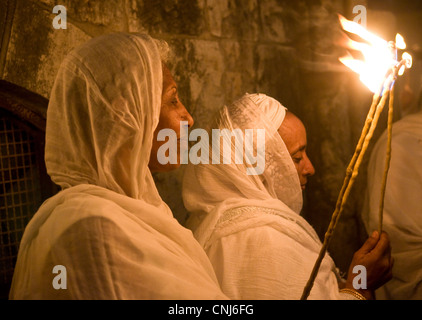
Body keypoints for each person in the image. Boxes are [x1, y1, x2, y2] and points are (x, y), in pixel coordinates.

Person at [9, 33, 228, 300]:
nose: (189, 118)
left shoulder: (141, 211)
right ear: (127, 115)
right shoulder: (95, 229)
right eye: (172, 100)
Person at [182, 93, 393, 300]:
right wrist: (361, 283)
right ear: (254, 167)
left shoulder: (211, 220)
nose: (310, 168)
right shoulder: (264, 242)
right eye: (297, 157)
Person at [363, 109, 422, 300]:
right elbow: (396, 235)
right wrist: (356, 286)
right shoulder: (402, 141)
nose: (309, 168)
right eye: (296, 158)